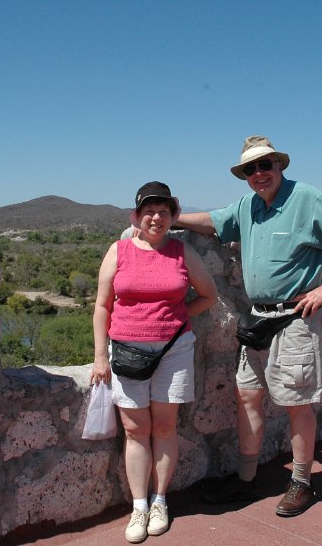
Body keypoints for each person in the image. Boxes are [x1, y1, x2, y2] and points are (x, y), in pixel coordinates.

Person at [176, 136, 322, 517]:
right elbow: (213, 222)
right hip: (259, 318)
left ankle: (302, 483)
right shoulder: (248, 206)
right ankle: (247, 479)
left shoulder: (307, 198)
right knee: (248, 395)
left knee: (297, 403)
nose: (259, 174)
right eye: (251, 169)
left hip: (295, 318)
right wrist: (170, 217)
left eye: (265, 165)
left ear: (279, 165)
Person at [91, 181, 218, 544]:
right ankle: (139, 506)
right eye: (149, 211)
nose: (156, 218)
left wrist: (174, 319)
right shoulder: (118, 251)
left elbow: (209, 295)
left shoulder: (182, 252)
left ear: (173, 216)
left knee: (164, 427)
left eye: (163, 211)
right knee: (135, 430)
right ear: (137, 216)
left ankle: (159, 501)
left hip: (173, 351)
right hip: (126, 351)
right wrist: (100, 356)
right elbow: (102, 305)